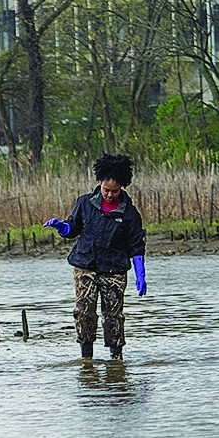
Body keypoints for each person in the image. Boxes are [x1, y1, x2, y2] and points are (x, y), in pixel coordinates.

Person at [44, 154, 146, 360]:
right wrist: (61, 226)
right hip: (85, 266)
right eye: (106, 190)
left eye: (114, 191)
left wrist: (140, 274)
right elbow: (72, 228)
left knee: (113, 316)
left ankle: (116, 359)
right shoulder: (85, 203)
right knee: (83, 311)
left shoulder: (130, 214)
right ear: (99, 183)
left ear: (122, 188)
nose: (109, 194)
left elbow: (136, 246)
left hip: (115, 269)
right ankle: (86, 358)